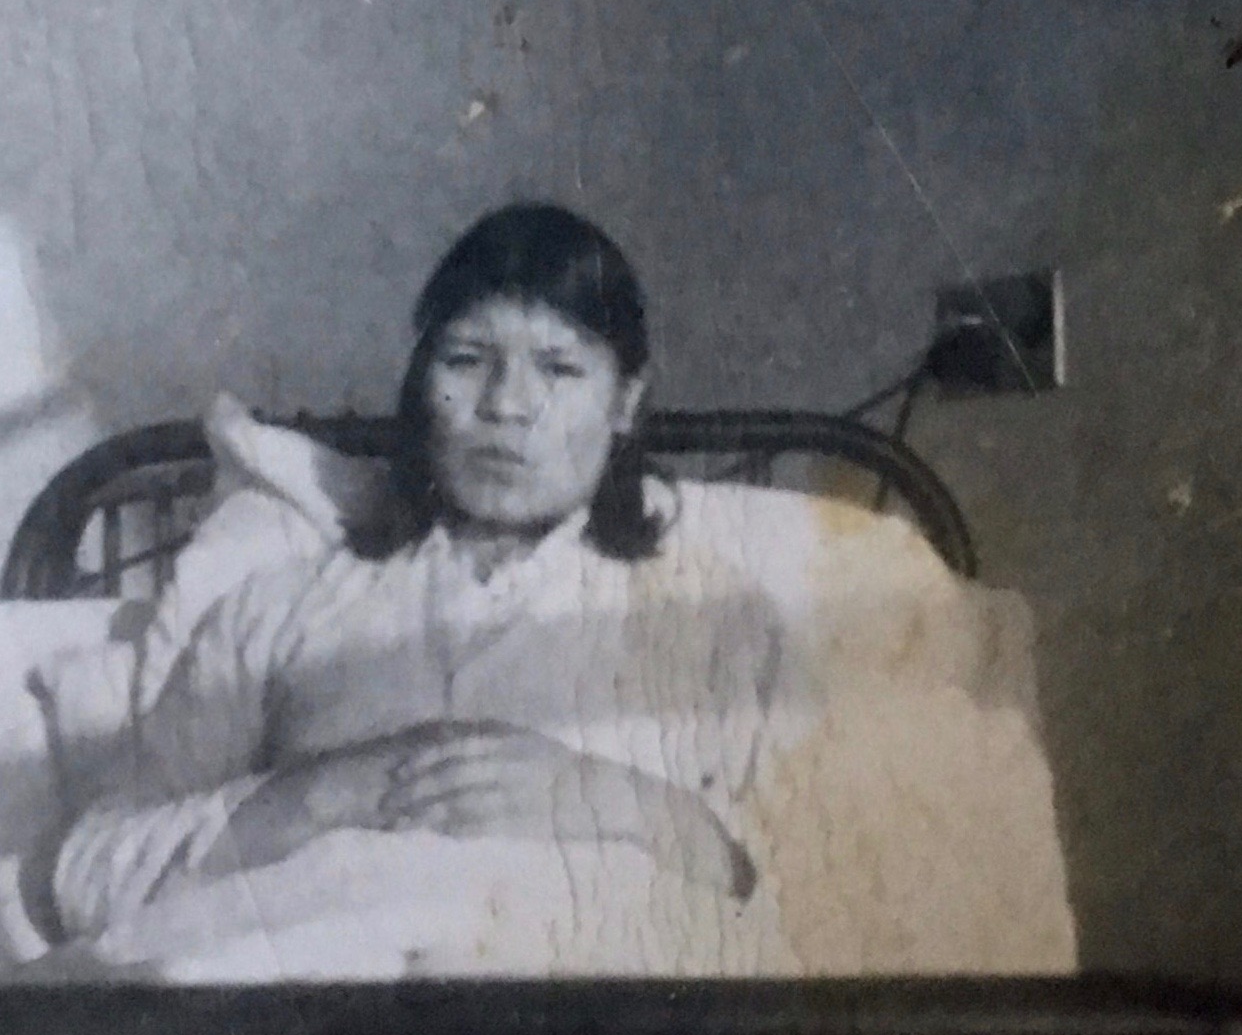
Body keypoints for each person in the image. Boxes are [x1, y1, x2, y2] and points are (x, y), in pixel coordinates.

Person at [51, 203, 798, 975]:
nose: (506, 406)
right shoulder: (281, 610)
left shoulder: (716, 621)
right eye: (468, 359)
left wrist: (609, 802)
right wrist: (315, 798)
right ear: (421, 382)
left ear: (625, 403)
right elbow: (90, 876)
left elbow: (832, 905)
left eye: (560, 368)